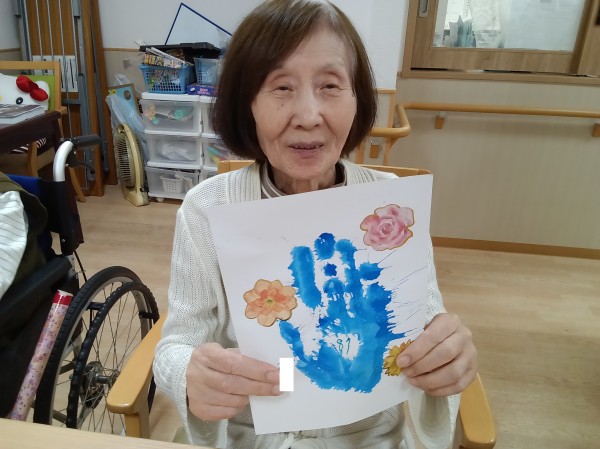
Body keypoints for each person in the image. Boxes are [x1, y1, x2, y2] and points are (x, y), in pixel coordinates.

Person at [153, 1, 477, 448]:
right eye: (281, 87)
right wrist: (189, 374)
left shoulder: (391, 209)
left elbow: (426, 325)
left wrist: (447, 354)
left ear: (357, 98)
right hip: (252, 437)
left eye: (330, 85)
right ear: (248, 104)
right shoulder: (206, 209)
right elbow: (176, 344)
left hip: (370, 439)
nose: (308, 115)